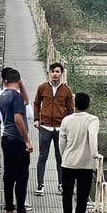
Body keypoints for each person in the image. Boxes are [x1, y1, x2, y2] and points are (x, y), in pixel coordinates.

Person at [0, 69, 38, 213]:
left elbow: (26, 102)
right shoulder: (16, 97)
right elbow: (18, 119)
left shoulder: (2, 96)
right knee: (22, 176)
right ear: (18, 81)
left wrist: (19, 84)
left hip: (6, 139)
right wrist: (27, 140)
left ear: (5, 81)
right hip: (17, 140)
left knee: (9, 175)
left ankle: (9, 210)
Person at [59, 91, 100, 213]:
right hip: (86, 164)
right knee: (82, 196)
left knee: (67, 194)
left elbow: (62, 142)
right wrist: (94, 153)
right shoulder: (93, 120)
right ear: (88, 105)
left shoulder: (66, 120)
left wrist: (64, 156)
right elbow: (93, 136)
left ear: (75, 104)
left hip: (68, 162)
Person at [32, 62, 75, 196]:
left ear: (61, 74)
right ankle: (40, 185)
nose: (55, 74)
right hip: (45, 126)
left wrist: (68, 125)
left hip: (60, 128)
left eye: (57, 72)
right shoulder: (42, 88)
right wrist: (36, 119)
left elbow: (70, 109)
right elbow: (37, 103)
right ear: (48, 73)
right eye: (53, 71)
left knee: (60, 157)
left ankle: (61, 185)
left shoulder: (66, 90)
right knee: (42, 156)